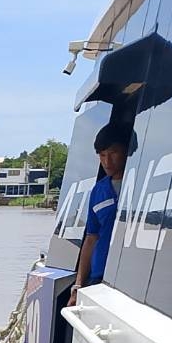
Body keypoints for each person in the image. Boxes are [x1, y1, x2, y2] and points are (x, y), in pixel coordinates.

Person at [70, 124, 130, 302]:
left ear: (127, 152)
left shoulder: (137, 186)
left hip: (128, 279)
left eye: (113, 153)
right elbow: (91, 238)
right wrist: (78, 285)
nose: (107, 162)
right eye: (102, 155)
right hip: (99, 276)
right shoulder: (99, 190)